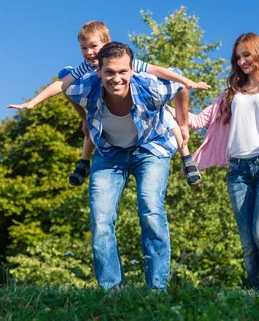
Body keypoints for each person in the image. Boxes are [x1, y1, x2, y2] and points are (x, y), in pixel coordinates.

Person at [7, 21, 208, 186]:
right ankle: (84, 162)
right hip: (102, 105)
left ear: (106, 44)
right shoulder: (85, 67)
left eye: (94, 46)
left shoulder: (120, 60)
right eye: (83, 48)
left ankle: (186, 157)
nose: (89, 52)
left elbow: (158, 70)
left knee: (168, 117)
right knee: (92, 127)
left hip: (143, 101)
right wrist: (33, 103)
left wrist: (186, 81)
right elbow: (62, 84)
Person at [65, 41, 189, 290]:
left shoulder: (150, 87)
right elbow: (65, 89)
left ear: (132, 70)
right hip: (109, 154)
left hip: (151, 149)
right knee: (100, 219)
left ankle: (157, 289)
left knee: (151, 210)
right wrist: (85, 119)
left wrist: (183, 122)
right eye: (109, 72)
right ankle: (112, 290)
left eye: (123, 71)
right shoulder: (85, 89)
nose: (116, 78)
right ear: (98, 72)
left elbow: (181, 82)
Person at [187, 32, 259, 290]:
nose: (242, 61)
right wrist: (165, 105)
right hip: (238, 171)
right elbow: (197, 121)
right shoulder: (230, 95)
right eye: (238, 57)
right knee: (247, 242)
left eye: (246, 54)